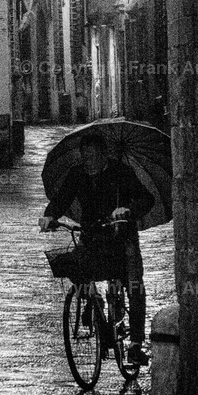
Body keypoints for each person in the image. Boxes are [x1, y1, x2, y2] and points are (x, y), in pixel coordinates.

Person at [39, 130, 153, 365]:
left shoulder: (121, 172)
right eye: (84, 156)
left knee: (134, 285)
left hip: (122, 236)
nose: (87, 161)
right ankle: (95, 304)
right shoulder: (77, 174)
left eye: (91, 156)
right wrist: (50, 216)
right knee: (75, 265)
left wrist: (127, 211)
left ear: (103, 155)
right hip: (92, 234)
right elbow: (62, 198)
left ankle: (135, 344)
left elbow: (146, 199)